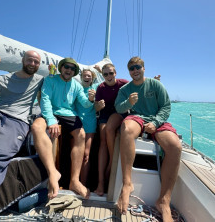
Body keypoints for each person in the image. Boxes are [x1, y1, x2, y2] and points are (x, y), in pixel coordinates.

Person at [115, 57, 182, 222]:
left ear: (144, 68)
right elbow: (118, 107)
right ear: (129, 71)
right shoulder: (125, 89)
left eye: (138, 67)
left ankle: (164, 201)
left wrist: (156, 122)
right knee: (127, 128)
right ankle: (127, 184)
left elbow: (166, 106)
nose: (135, 70)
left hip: (156, 120)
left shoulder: (155, 85)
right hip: (137, 118)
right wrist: (128, 102)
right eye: (131, 68)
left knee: (175, 146)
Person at [0, 51, 43, 211]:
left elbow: (58, 85)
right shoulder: (4, 78)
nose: (32, 64)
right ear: (22, 60)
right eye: (30, 60)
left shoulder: (40, 80)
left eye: (36, 62)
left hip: (15, 122)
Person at [31, 58, 95, 200]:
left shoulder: (77, 86)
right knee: (36, 127)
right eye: (66, 67)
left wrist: (90, 100)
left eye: (72, 69)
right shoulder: (50, 80)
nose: (69, 70)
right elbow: (45, 100)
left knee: (81, 135)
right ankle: (52, 173)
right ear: (61, 68)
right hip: (51, 113)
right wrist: (51, 120)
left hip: (69, 114)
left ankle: (74, 181)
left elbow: (84, 103)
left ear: (74, 72)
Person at [94, 63, 128, 196]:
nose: (108, 76)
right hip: (105, 115)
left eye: (111, 73)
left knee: (109, 129)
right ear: (102, 75)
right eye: (105, 74)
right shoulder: (100, 88)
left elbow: (138, 87)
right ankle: (101, 182)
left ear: (115, 73)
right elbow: (96, 109)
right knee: (103, 137)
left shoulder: (123, 84)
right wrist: (98, 106)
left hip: (119, 113)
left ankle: (111, 165)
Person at [74, 68, 99, 185]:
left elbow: (110, 82)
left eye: (89, 76)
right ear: (81, 77)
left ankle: (83, 184)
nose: (87, 77)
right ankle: (73, 181)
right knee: (75, 154)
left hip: (90, 124)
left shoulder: (96, 89)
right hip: (76, 124)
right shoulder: (76, 88)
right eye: (85, 75)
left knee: (85, 155)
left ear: (92, 78)